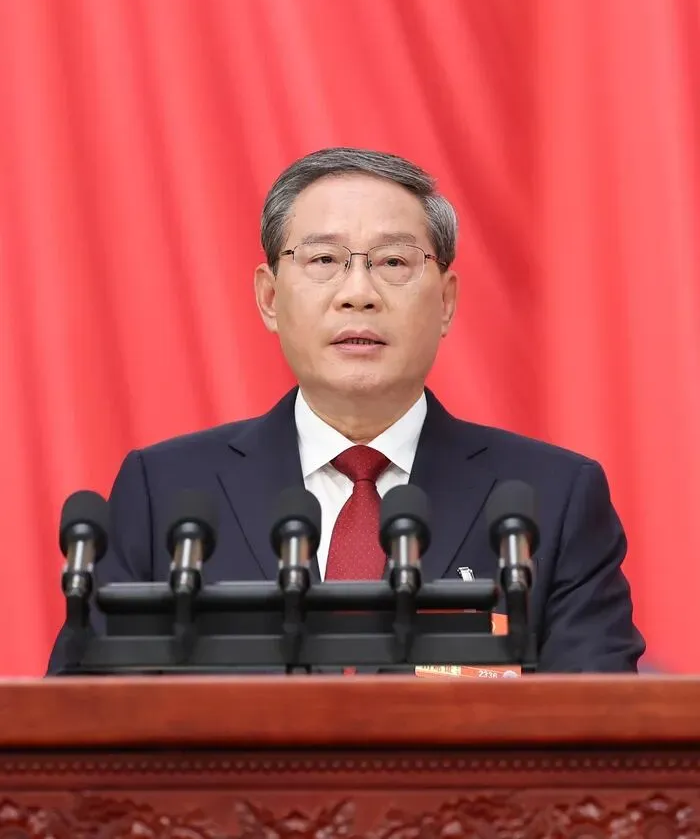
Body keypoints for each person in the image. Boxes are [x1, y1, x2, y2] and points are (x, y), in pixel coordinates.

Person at [47, 147, 645, 673]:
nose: (358, 293)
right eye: (324, 260)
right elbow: (85, 721)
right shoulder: (166, 495)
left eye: (393, 263)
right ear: (270, 297)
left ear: (445, 302)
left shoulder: (552, 501)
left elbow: (597, 731)